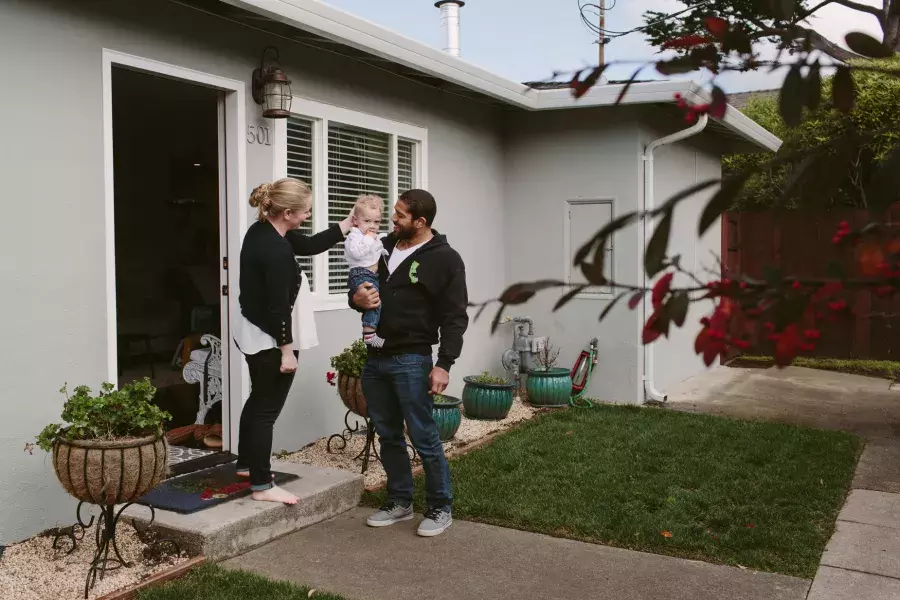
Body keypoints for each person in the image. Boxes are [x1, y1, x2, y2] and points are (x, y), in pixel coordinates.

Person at [349, 189, 469, 537]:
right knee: (387, 435)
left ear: (421, 222)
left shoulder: (445, 259)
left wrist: (444, 363)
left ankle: (440, 507)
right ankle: (400, 502)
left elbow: (454, 317)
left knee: (423, 435)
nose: (392, 219)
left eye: (400, 215)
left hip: (412, 360)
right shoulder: (382, 246)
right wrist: (356, 298)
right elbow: (360, 282)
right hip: (375, 358)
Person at [234, 177, 353, 505]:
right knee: (265, 411)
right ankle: (262, 485)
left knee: (258, 401)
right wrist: (286, 351)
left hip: (254, 331)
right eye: (305, 212)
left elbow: (310, 245)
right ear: (287, 212)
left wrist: (348, 224)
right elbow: (276, 307)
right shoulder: (273, 249)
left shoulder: (265, 230)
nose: (307, 217)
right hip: (270, 339)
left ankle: (247, 464)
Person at [343, 194, 388, 348]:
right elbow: (356, 252)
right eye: (367, 221)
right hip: (360, 274)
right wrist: (370, 238)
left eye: (377, 222)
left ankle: (370, 331)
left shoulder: (371, 236)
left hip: (371, 274)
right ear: (355, 221)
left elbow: (374, 252)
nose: (373, 226)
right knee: (374, 301)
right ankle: (369, 334)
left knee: (375, 302)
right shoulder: (354, 236)